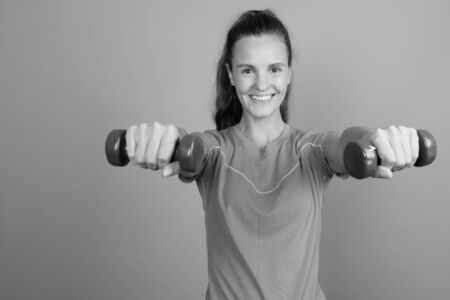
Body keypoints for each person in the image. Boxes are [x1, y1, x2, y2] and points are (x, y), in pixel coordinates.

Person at [125, 9, 419, 300]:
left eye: (274, 69)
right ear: (231, 74)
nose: (262, 84)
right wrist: (166, 139)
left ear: (289, 72)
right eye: (248, 70)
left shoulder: (311, 150)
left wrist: (373, 139)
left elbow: (345, 143)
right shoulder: (214, 151)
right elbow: (188, 144)